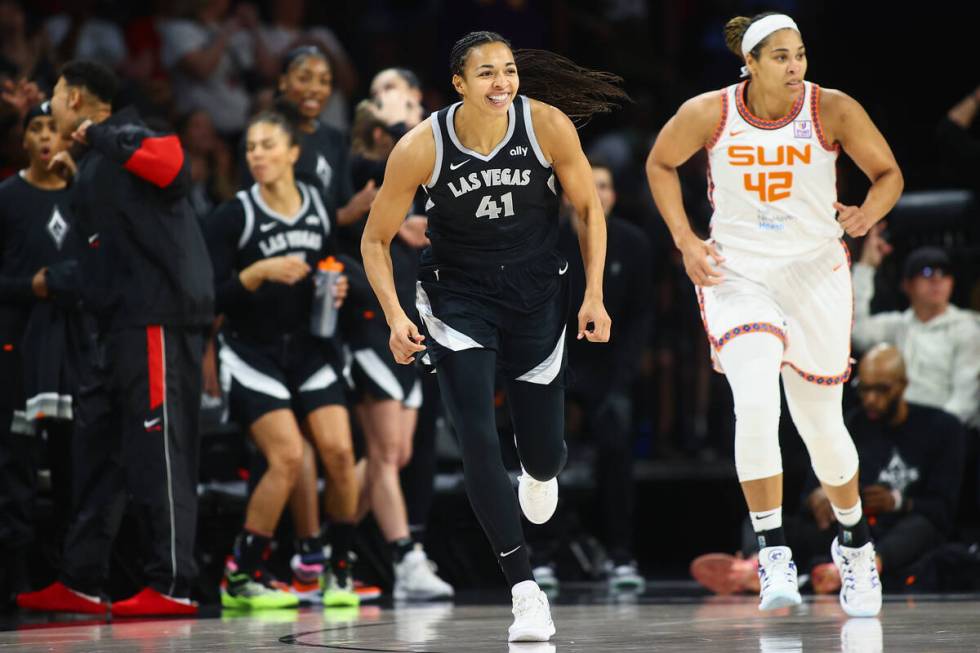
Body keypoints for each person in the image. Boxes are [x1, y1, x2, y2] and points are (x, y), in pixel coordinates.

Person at [362, 31, 624, 642]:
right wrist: (398, 316)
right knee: (477, 437)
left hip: (536, 294)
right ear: (458, 84)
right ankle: (525, 590)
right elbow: (375, 240)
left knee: (544, 454)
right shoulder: (421, 145)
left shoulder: (547, 125)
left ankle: (540, 469)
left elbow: (588, 209)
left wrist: (593, 295)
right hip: (458, 299)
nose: (501, 82)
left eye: (507, 71)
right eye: (486, 74)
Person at [646, 12, 903, 617]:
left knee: (822, 430)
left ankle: (855, 545)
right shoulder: (710, 111)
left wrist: (868, 211)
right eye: (782, 57)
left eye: (801, 55)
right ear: (752, 63)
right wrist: (686, 239)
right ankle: (772, 553)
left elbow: (888, 174)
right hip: (738, 272)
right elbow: (660, 163)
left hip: (814, 271)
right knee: (757, 401)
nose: (795, 67)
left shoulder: (832, 108)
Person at [17, 60, 214, 617]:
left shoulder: (134, 132)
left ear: (77, 99)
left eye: (56, 96)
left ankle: (171, 582)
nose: (51, 105)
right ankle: (81, 577)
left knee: (161, 451)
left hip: (156, 318)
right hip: (114, 325)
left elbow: (174, 167)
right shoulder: (95, 164)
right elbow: (101, 256)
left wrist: (96, 137)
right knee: (97, 454)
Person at [204, 107, 359, 610]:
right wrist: (257, 272)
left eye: (268, 145)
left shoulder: (316, 202)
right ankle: (241, 576)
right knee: (288, 457)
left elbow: (327, 260)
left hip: (310, 347)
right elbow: (207, 296)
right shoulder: (234, 214)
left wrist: (331, 288)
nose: (258, 155)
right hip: (252, 351)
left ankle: (340, 569)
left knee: (338, 453)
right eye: (251, 148)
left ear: (294, 152)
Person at [692, 345, 966, 596]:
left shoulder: (941, 429)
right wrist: (819, 498)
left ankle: (860, 570)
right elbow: (811, 488)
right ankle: (757, 566)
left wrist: (898, 502)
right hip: (847, 527)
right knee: (766, 519)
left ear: (902, 386)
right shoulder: (853, 423)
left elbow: (942, 509)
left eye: (881, 390)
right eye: (864, 388)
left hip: (897, 531)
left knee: (921, 528)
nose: (870, 399)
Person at [345, 96, 453, 601]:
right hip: (370, 323)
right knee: (386, 453)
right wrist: (354, 211)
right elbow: (337, 235)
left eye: (410, 99)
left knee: (397, 453)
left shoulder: (425, 167)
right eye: (391, 97)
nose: (403, 108)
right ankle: (404, 555)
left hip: (413, 320)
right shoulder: (354, 169)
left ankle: (329, 542)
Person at [539, 158, 651, 593]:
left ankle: (621, 555)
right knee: (544, 455)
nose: (596, 194)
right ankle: (542, 554)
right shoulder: (548, 242)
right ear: (568, 195)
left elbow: (642, 316)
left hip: (611, 367)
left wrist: (622, 374)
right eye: (587, 186)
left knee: (618, 440)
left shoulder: (633, 243)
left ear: (614, 195)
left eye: (603, 185)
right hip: (556, 363)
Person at [0, 101, 75, 606]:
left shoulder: (85, 196)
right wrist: (30, 285)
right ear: (23, 139)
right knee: (17, 461)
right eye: (36, 129)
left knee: (74, 463)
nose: (46, 137)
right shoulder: (7, 197)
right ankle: (16, 577)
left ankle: (70, 575)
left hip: (74, 346)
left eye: (54, 128)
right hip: (18, 346)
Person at [852, 234, 980, 428]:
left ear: (952, 283)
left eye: (944, 273)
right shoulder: (899, 325)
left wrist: (932, 430)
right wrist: (866, 267)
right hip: (898, 424)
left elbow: (965, 400)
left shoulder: (967, 327)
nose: (937, 279)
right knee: (855, 424)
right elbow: (856, 331)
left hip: (948, 427)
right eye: (927, 272)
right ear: (907, 285)